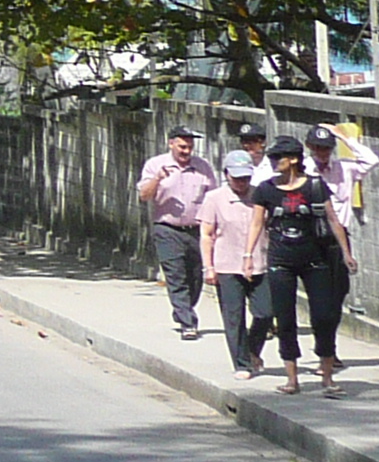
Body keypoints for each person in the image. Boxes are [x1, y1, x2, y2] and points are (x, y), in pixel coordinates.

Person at [246, 136, 344, 396]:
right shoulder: (265, 190)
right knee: (285, 318)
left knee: (324, 316)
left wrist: (346, 252)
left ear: (294, 160)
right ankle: (292, 378)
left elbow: (333, 220)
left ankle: (327, 375)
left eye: (280, 157)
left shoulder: (314, 186)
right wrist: (248, 255)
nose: (275, 162)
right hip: (281, 261)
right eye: (273, 157)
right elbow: (256, 223)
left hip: (314, 259)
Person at [134, 125, 218, 341]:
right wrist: (157, 179)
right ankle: (188, 322)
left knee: (195, 277)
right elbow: (144, 195)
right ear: (171, 143)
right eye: (182, 146)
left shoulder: (203, 167)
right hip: (167, 229)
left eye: (189, 147)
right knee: (176, 275)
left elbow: (213, 197)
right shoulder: (155, 165)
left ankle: (183, 309)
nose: (186, 151)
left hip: (197, 231)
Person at [200, 152, 269, 377]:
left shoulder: (261, 195)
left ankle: (251, 350)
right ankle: (242, 363)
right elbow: (207, 234)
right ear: (226, 175)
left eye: (246, 178)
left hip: (259, 263)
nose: (241, 182)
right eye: (236, 177)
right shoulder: (214, 198)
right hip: (227, 265)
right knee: (233, 316)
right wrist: (208, 267)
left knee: (265, 312)